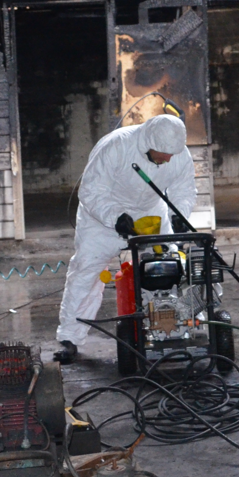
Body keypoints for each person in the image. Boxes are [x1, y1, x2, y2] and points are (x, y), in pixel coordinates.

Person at [55, 113, 197, 363]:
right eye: (164, 153)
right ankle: (70, 338)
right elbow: (91, 190)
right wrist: (115, 218)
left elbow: (183, 190)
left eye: (172, 154)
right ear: (149, 142)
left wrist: (179, 214)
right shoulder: (117, 145)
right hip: (103, 216)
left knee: (172, 267)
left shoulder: (178, 154)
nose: (168, 159)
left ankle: (174, 325)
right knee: (86, 271)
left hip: (151, 214)